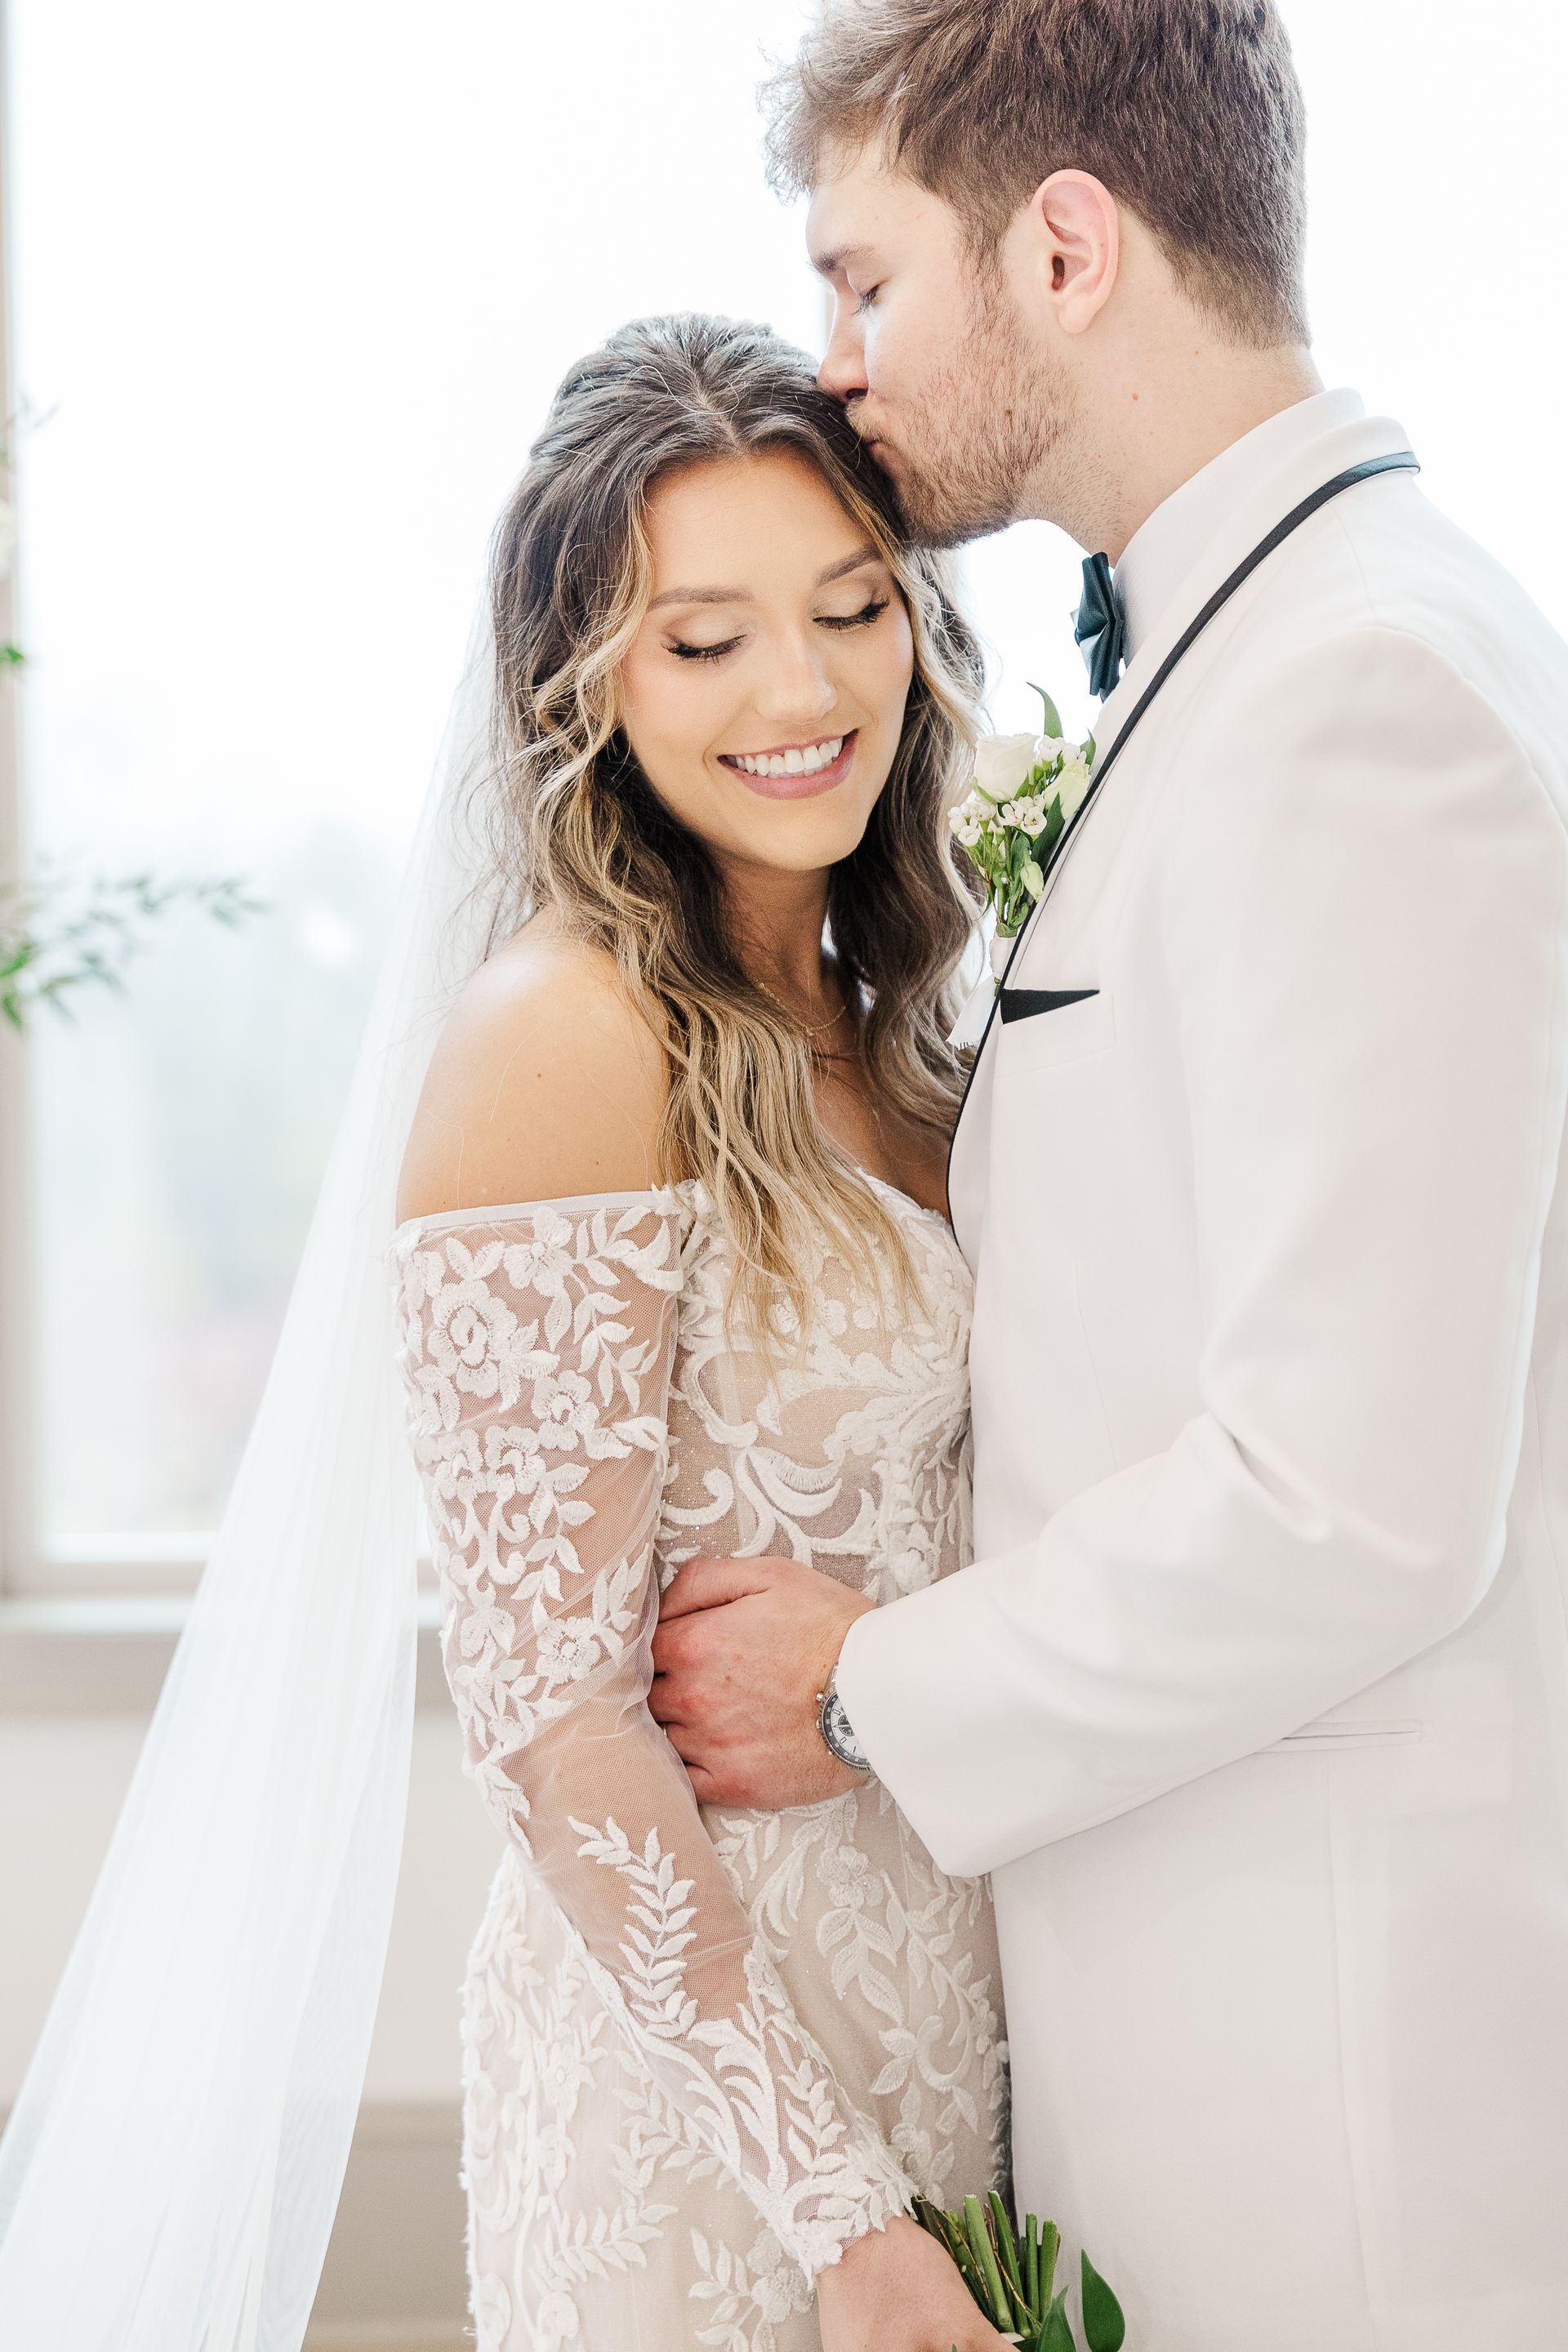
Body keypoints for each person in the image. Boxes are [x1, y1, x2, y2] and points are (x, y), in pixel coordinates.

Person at [649, 5, 1568, 2348]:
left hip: (1325, 2095)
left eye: (867, 280)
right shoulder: (1263, 650)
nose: (838, 361)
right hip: (1191, 2005)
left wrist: (868, 1683)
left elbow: (1357, 1497)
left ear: (1065, 250)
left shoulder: (1362, 693)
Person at [391, 314, 1010, 2351]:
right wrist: (844, 2218)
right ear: (587, 684)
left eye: (850, 609)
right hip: (711, 2128)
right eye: (706, 639)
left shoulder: (899, 1026)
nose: (804, 693)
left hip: (953, 2006)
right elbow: (550, 1726)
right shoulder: (561, 1040)